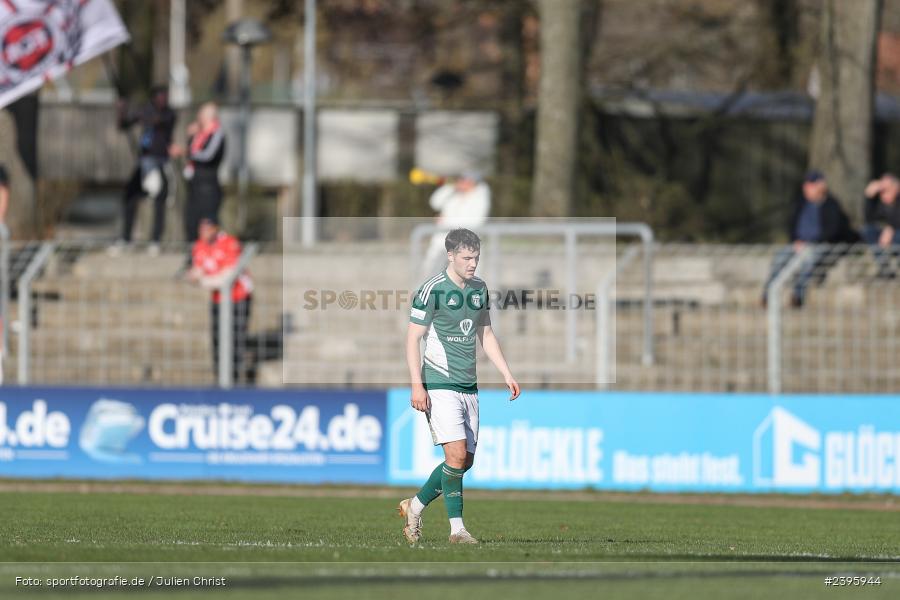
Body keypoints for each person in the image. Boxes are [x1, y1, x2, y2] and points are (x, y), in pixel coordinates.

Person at [399, 228, 520, 544]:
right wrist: (416, 385)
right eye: (467, 257)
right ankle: (458, 531)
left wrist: (507, 373)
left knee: (465, 461)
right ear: (450, 255)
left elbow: (486, 334)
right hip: (438, 381)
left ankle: (414, 506)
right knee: (454, 455)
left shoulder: (480, 289)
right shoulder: (432, 290)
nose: (472, 263)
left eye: (476, 257)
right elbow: (413, 338)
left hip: (469, 385)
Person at [761, 170, 855, 307]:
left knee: (808, 261)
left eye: (811, 184)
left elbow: (833, 230)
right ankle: (768, 295)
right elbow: (791, 226)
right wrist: (796, 240)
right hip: (798, 244)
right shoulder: (800, 203)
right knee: (779, 259)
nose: (807, 188)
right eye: (807, 185)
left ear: (821, 186)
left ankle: (797, 297)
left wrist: (812, 242)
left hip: (819, 245)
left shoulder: (831, 204)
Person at [113, 86, 177, 255]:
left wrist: (143, 115)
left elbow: (158, 121)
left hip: (160, 162)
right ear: (154, 97)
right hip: (144, 163)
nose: (163, 99)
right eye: (160, 96)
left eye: (165, 96)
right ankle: (126, 238)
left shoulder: (169, 114)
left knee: (159, 201)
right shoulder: (146, 111)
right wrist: (122, 111)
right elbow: (124, 125)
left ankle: (156, 240)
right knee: (129, 196)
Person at [188, 217, 253, 383]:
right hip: (218, 299)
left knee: (236, 338)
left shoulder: (230, 243)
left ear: (215, 228)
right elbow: (195, 273)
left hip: (238, 298)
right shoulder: (199, 246)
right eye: (201, 228)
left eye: (207, 228)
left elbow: (226, 278)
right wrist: (203, 279)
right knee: (217, 339)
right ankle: (220, 377)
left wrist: (204, 281)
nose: (203, 232)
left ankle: (235, 378)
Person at [172, 102, 226, 265]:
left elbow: (207, 156)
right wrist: (191, 138)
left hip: (208, 187)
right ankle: (193, 258)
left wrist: (184, 151)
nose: (198, 117)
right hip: (194, 187)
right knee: (190, 222)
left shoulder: (217, 134)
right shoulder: (198, 134)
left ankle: (214, 257)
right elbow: (193, 154)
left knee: (209, 224)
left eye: (201, 114)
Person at [422, 172, 490, 278]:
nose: (461, 182)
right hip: (441, 242)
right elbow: (435, 202)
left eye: (464, 179)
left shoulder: (480, 196)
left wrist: (446, 222)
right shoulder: (453, 193)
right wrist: (450, 186)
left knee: (470, 280)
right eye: (459, 179)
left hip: (468, 245)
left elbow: (476, 222)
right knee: (430, 274)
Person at [863, 173, 900, 278]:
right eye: (881, 190)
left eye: (886, 189)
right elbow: (869, 219)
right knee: (868, 231)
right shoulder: (879, 202)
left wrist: (891, 227)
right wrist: (869, 198)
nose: (883, 193)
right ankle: (884, 268)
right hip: (886, 237)